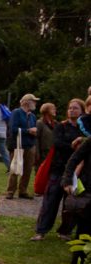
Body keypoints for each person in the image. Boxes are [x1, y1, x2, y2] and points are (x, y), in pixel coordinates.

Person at [31, 99, 85, 241]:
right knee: (50, 200)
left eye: (75, 108)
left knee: (70, 203)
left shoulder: (83, 128)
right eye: (70, 108)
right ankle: (41, 231)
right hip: (58, 168)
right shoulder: (61, 126)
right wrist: (74, 146)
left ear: (82, 111)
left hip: (75, 171)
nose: (72, 110)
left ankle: (64, 231)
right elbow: (57, 143)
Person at [62, 113, 91, 264]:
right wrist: (67, 181)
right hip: (88, 195)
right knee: (83, 232)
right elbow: (73, 160)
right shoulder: (89, 142)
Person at [6, 93, 39, 200]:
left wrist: (34, 133)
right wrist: (29, 131)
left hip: (30, 145)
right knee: (15, 168)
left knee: (28, 169)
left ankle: (23, 190)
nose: (35, 103)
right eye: (33, 101)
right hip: (18, 146)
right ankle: (10, 191)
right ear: (26, 102)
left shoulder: (33, 116)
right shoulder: (16, 113)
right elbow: (13, 129)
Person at [35, 103, 57, 171]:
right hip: (43, 153)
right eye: (52, 109)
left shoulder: (55, 123)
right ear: (46, 110)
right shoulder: (40, 123)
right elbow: (36, 138)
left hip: (53, 152)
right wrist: (37, 154)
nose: (55, 110)